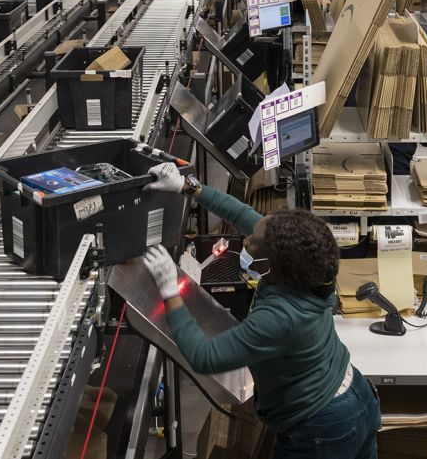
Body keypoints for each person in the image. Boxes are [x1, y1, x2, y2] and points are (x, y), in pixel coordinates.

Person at [138, 162, 381, 458]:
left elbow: (204, 357)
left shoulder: (281, 317)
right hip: (357, 395)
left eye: (253, 244)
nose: (246, 240)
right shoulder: (307, 272)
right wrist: (187, 187)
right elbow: (241, 213)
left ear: (276, 263)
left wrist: (168, 288)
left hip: (324, 426)